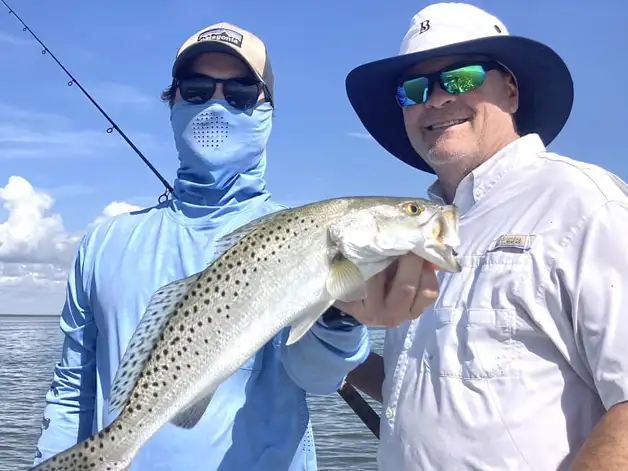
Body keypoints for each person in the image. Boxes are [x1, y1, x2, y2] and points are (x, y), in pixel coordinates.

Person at [32, 22, 439, 471]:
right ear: (172, 103)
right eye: (197, 89)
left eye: (242, 91)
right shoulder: (103, 243)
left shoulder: (300, 233)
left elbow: (318, 377)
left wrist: (340, 314)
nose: (217, 104)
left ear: (268, 111)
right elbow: (72, 390)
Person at [344, 2, 628, 470]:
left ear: (511, 91)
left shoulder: (584, 204)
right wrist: (322, 340)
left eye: (461, 78)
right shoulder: (423, 233)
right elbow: (416, 383)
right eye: (414, 89)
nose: (435, 99)